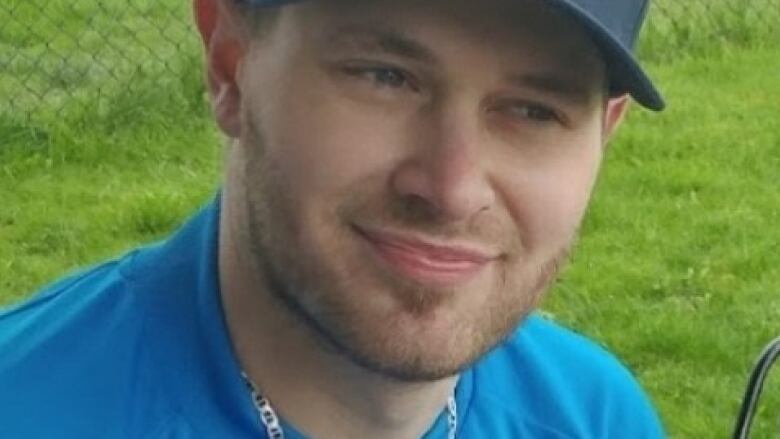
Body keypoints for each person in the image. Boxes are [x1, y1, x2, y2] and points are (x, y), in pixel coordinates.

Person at [0, 0, 667, 437]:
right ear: (231, 67)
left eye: (534, 111)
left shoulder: (594, 416)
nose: (453, 188)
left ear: (603, 136)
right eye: (385, 75)